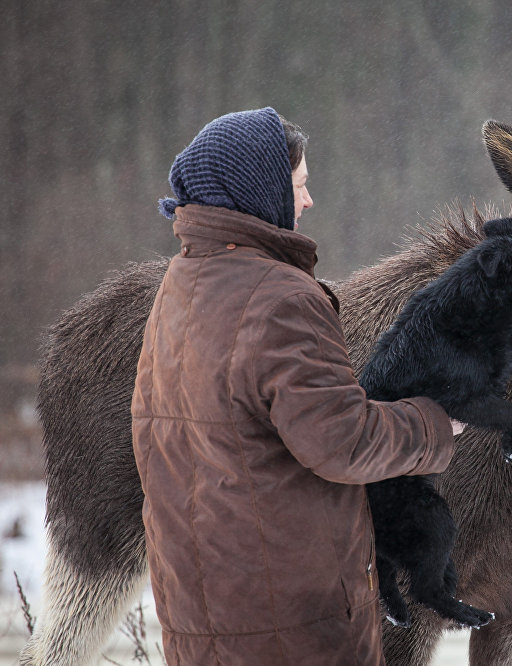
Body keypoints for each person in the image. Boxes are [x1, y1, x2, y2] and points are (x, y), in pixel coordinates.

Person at [131, 107, 461, 664]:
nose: (307, 202)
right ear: (262, 190)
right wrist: (436, 422)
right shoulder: (280, 296)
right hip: (291, 623)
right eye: (300, 185)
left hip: (199, 611)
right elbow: (341, 441)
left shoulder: (181, 284)